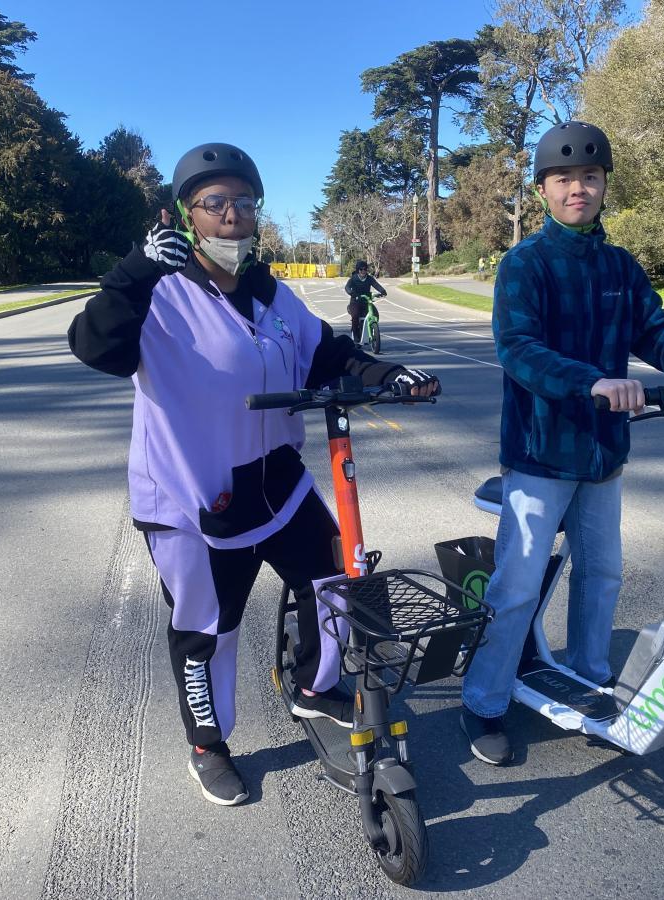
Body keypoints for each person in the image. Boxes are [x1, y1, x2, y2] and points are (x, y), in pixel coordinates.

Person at [67, 142, 440, 805]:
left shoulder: (273, 293)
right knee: (209, 629)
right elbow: (94, 346)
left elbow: (327, 354)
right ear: (184, 216)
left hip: (276, 480)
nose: (232, 215)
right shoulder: (158, 293)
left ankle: (314, 686)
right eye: (215, 204)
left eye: (243, 202)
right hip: (192, 497)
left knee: (333, 581)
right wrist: (132, 273)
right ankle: (208, 745)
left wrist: (388, 374)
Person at [460, 122, 664, 766]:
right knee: (517, 586)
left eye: (590, 178)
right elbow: (518, 350)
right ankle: (485, 699)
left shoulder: (617, 266)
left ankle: (587, 674)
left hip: (603, 454)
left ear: (604, 185)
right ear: (544, 189)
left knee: (601, 574)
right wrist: (593, 382)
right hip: (541, 453)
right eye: (563, 179)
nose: (578, 189)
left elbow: (662, 337)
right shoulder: (526, 264)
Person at [344, 260, 386, 344]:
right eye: (361, 269)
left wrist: (382, 291)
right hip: (355, 301)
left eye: (365, 269)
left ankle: (372, 330)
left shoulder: (369, 278)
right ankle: (356, 336)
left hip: (366, 301)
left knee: (375, 314)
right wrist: (352, 293)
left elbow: (376, 285)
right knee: (355, 316)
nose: (363, 271)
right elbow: (347, 287)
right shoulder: (354, 278)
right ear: (357, 270)